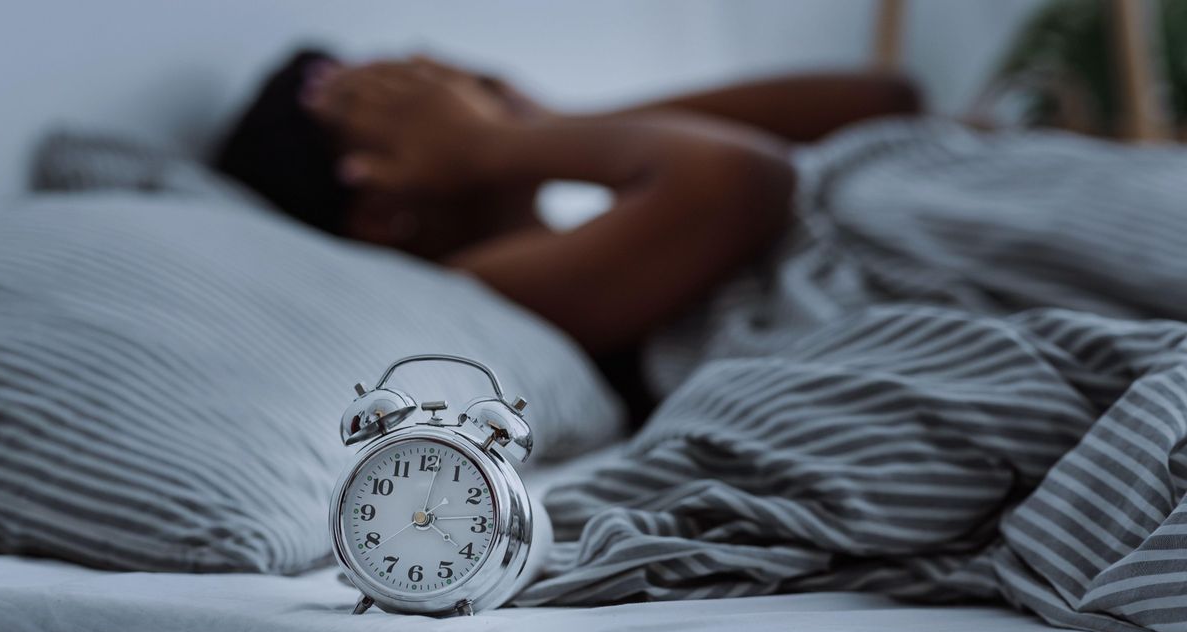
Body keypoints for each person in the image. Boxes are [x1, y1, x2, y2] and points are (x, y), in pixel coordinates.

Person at [216, 49, 921, 420]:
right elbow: (746, 179)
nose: (455, 77)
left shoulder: (626, 194)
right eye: (411, 101)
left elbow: (883, 102)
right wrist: (495, 142)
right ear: (379, 209)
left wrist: (543, 123)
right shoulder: (476, 292)